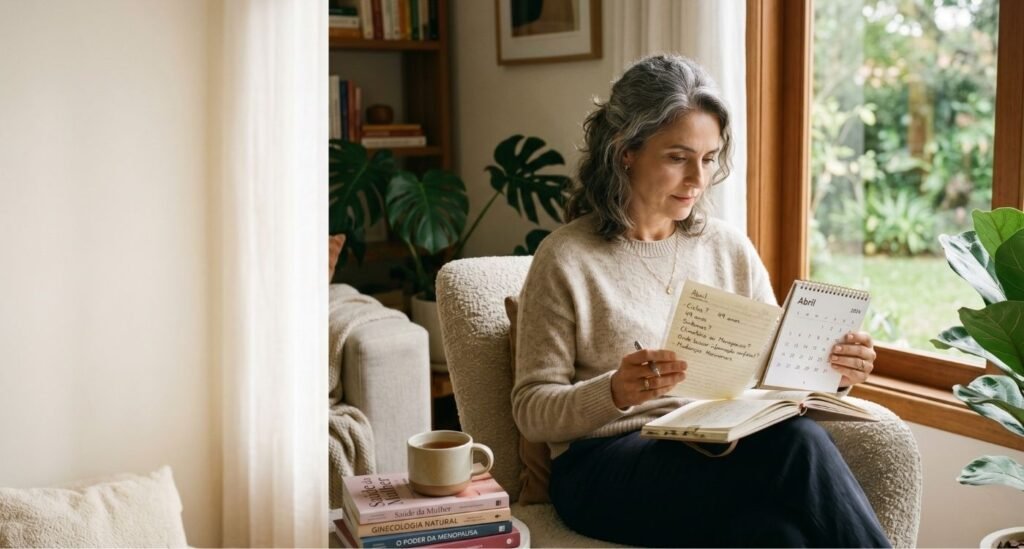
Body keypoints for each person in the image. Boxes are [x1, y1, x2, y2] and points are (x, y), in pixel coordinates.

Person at [510, 54, 890, 547]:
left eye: (709, 158)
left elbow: (772, 375)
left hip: (716, 449)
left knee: (780, 537)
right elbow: (531, 411)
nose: (698, 179)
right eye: (677, 157)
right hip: (602, 471)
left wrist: (832, 373)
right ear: (626, 150)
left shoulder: (727, 247)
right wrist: (616, 391)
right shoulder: (565, 257)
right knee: (797, 444)